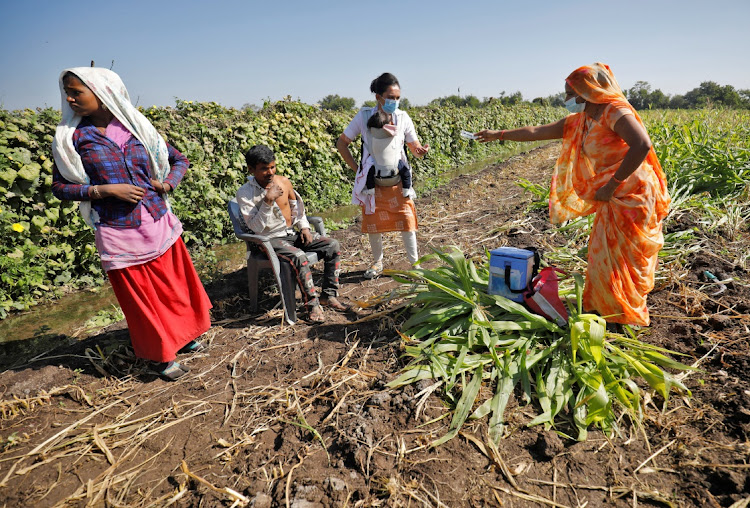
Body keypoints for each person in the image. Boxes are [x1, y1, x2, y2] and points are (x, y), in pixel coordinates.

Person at [475, 62, 670, 327]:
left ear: (589, 90)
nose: (567, 98)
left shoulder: (615, 112)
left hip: (633, 195)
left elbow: (642, 145)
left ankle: (624, 315)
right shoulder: (582, 120)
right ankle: (608, 310)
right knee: (603, 254)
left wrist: (611, 185)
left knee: (627, 258)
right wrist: (498, 135)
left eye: (571, 92)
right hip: (612, 195)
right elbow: (536, 132)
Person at [51, 67, 212, 381]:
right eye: (67, 93)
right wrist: (103, 190)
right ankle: (162, 357)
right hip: (117, 230)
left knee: (173, 288)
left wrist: (167, 184)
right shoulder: (72, 140)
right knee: (142, 300)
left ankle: (187, 337)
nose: (69, 99)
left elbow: (179, 161)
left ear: (102, 92)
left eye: (76, 92)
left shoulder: (138, 129)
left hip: (157, 221)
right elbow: (60, 187)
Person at [236, 145, 347, 322]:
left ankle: (328, 295)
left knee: (332, 245)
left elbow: (297, 210)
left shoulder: (284, 182)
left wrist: (304, 227)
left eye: (272, 167)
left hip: (291, 234)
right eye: (264, 169)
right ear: (251, 169)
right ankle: (312, 305)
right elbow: (256, 228)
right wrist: (267, 201)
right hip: (269, 240)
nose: (270, 172)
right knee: (299, 256)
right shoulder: (245, 193)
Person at [336, 72, 430, 279]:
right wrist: (358, 169)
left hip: (397, 180)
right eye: (390, 97)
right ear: (378, 97)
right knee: (374, 224)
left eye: (397, 98)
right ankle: (377, 262)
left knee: (407, 220)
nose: (394, 102)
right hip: (373, 182)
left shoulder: (403, 118)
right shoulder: (363, 117)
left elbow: (413, 147)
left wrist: (419, 151)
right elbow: (342, 143)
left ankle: (415, 265)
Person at [364, 109, 413, 197]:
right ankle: (406, 190)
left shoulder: (370, 135)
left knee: (369, 171)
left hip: (377, 174)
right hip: (394, 172)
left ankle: (370, 189)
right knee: (406, 172)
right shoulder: (393, 132)